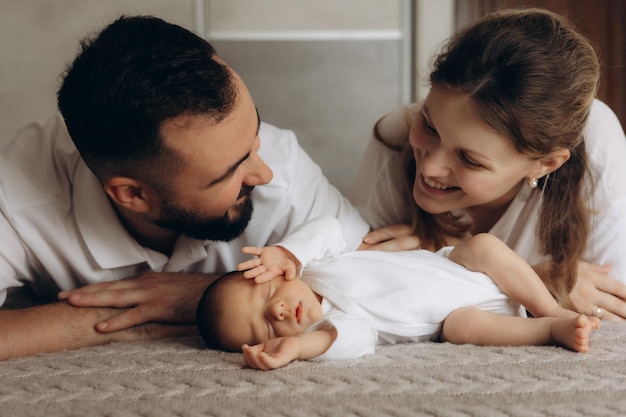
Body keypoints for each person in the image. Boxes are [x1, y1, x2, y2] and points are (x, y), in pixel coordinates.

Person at [0, 16, 369, 360]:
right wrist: (101, 320)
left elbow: (378, 272)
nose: (264, 173)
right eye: (230, 173)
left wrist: (202, 295)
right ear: (134, 195)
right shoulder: (15, 190)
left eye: (254, 136)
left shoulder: (280, 164)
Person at [350, 8, 626, 319]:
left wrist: (430, 262)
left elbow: (611, 308)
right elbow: (351, 289)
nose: (429, 168)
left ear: (545, 164)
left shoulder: (596, 142)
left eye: (469, 159)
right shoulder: (394, 137)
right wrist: (536, 283)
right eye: (429, 126)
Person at [197, 216, 600, 371]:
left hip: (458, 265)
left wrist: (289, 251)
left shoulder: (318, 265)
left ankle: (550, 307)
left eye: (268, 290)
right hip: (461, 314)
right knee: (460, 328)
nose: (280, 310)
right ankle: (549, 329)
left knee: (480, 244)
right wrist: (301, 348)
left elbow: (330, 228)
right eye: (267, 328)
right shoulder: (333, 324)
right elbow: (359, 340)